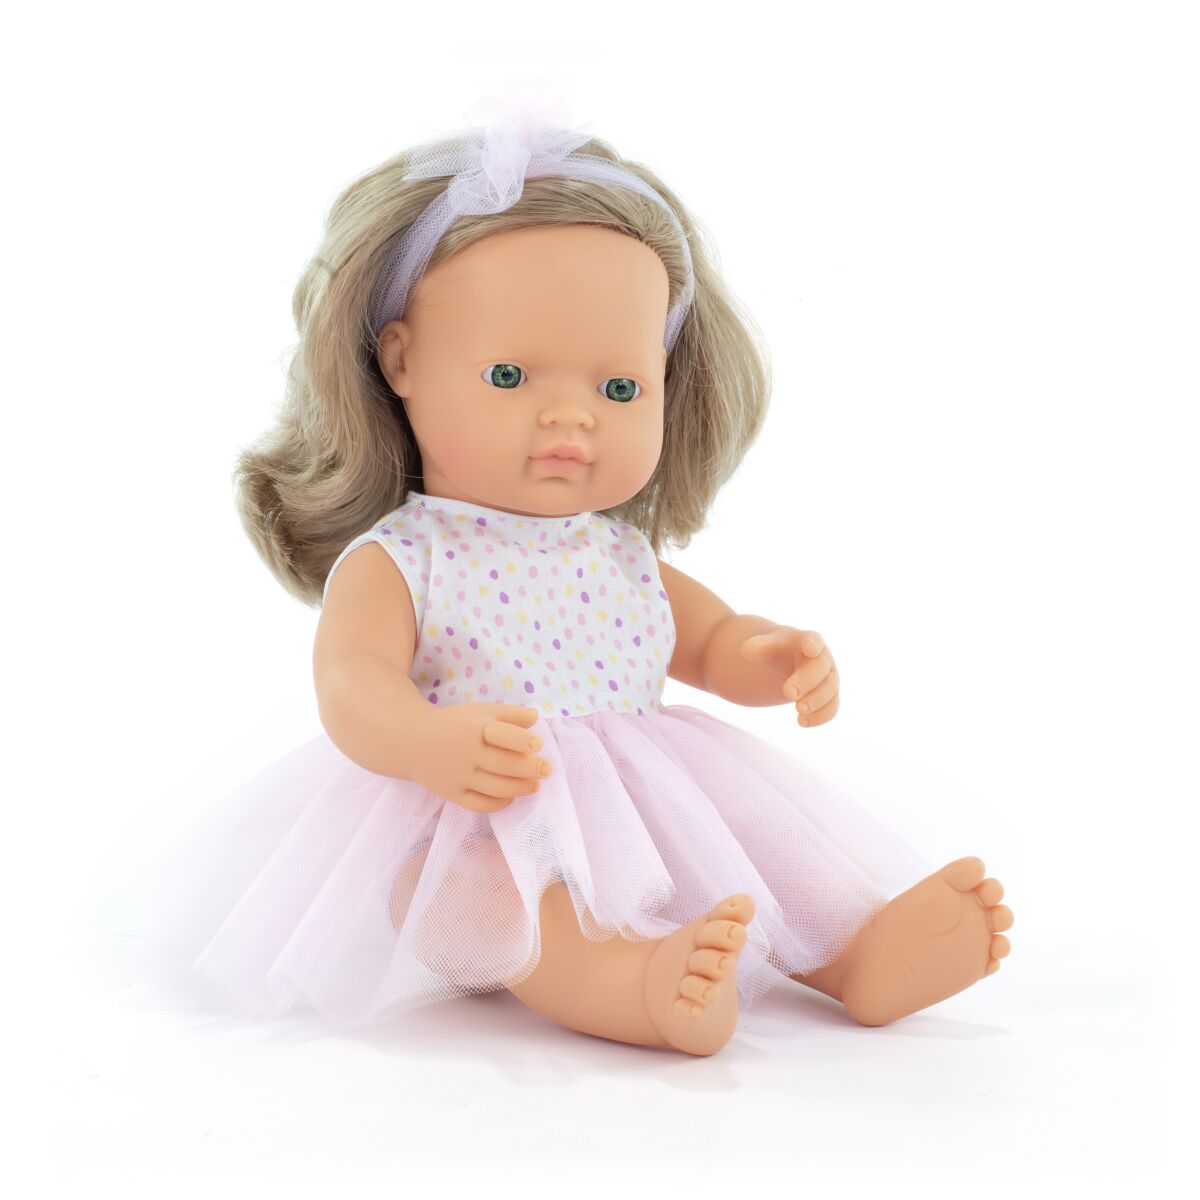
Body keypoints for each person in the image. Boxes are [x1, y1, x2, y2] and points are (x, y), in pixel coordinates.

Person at [143, 92, 1012, 1057]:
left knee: (759, 837)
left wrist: (766, 656)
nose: (573, 417)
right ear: (400, 362)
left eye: (620, 386)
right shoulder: (404, 559)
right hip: (469, 817)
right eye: (510, 377)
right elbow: (351, 684)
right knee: (497, 896)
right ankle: (624, 983)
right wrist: (425, 739)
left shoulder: (619, 555)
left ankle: (856, 950)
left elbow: (708, 643)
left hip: (647, 810)